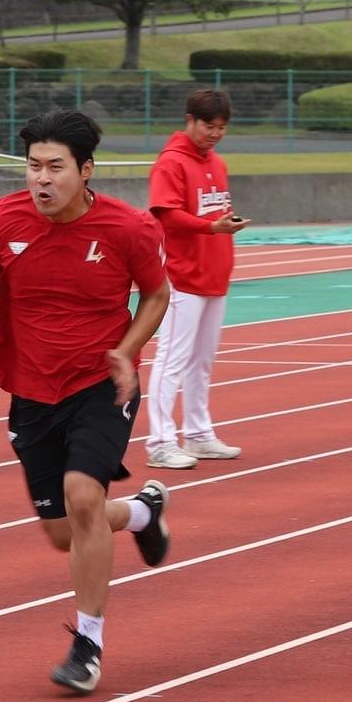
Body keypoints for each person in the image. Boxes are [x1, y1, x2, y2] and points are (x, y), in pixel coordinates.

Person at [0, 108, 174, 694]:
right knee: (63, 532)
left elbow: (157, 296)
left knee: (83, 495)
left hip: (101, 384)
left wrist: (126, 351)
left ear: (86, 171)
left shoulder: (128, 229)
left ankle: (88, 643)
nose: (42, 180)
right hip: (31, 390)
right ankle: (143, 513)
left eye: (56, 167)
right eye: (33, 167)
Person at [145, 88, 249, 470]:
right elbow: (167, 215)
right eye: (209, 125)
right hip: (182, 275)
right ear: (189, 121)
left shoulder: (216, 164)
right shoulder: (171, 163)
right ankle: (159, 441)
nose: (215, 133)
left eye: (222, 127)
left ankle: (199, 433)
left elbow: (212, 211)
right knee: (172, 358)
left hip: (214, 273)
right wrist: (212, 228)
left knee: (201, 362)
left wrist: (222, 225)